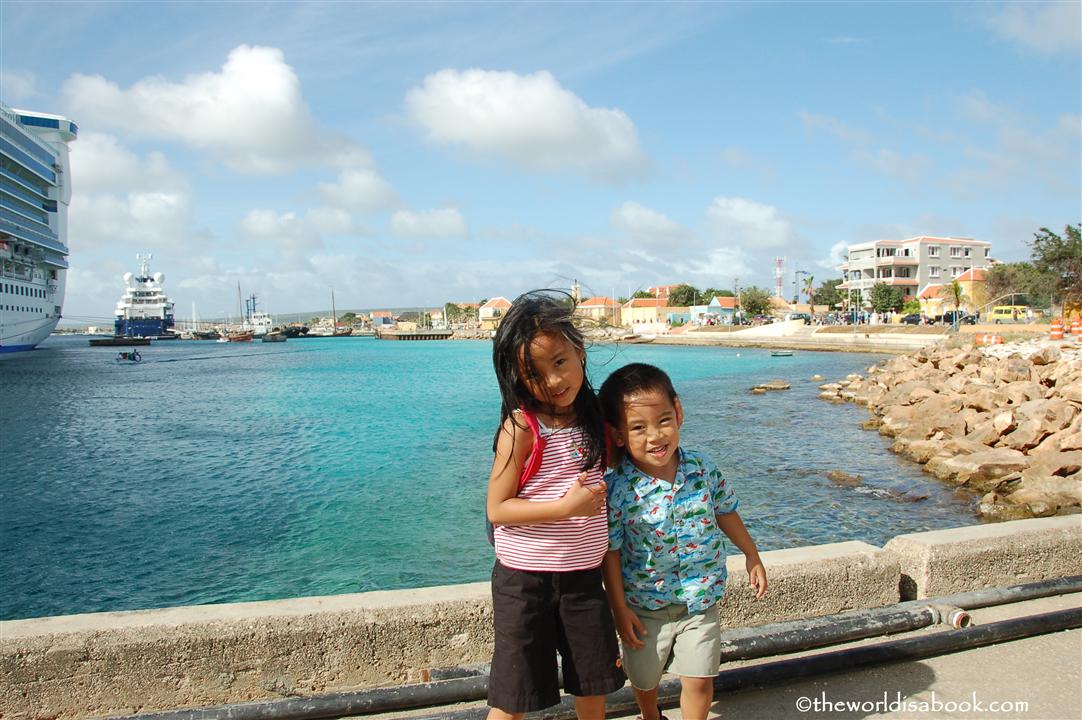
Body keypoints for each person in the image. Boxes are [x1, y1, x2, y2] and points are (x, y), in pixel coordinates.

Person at [485, 291, 626, 720]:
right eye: (534, 372)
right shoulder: (522, 427)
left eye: (560, 363)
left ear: (579, 353)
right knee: (513, 696)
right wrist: (565, 508)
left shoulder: (595, 419)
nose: (552, 381)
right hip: (524, 582)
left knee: (593, 686)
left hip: (584, 577)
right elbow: (498, 508)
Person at [599, 363, 768, 720]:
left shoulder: (703, 469)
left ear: (678, 412)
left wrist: (752, 554)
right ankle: (650, 715)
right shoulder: (616, 490)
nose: (655, 436)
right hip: (644, 606)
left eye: (663, 420)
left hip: (700, 602)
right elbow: (611, 553)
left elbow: (725, 511)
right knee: (644, 678)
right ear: (617, 435)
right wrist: (619, 609)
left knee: (700, 680)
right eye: (638, 428)